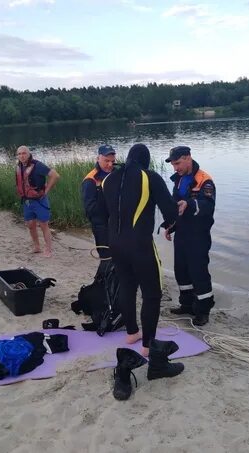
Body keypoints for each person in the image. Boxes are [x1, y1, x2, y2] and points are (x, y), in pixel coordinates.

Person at [101, 143, 180, 357]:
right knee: (152, 294)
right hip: (140, 245)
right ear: (145, 160)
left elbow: (103, 213)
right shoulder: (149, 177)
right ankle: (147, 345)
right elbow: (170, 212)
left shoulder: (108, 179)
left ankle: (131, 333)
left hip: (115, 244)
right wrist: (175, 216)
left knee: (127, 286)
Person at [164, 146, 216, 326]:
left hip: (198, 235)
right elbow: (175, 206)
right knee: (181, 270)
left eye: (177, 163)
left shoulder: (204, 180)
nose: (175, 168)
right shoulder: (178, 180)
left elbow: (207, 206)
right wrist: (170, 226)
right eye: (173, 164)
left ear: (188, 158)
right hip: (182, 234)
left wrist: (190, 204)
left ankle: (203, 311)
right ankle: (186, 304)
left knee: (198, 272)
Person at [15, 145, 60, 258]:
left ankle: (48, 249)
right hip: (27, 201)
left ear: (29, 154)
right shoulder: (19, 166)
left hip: (39, 200)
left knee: (44, 224)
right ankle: (36, 247)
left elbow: (55, 175)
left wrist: (47, 190)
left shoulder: (37, 165)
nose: (22, 156)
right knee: (30, 225)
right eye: (19, 154)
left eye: (24, 153)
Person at [81, 144, 116, 274]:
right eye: (106, 161)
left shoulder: (116, 174)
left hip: (118, 225)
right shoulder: (90, 180)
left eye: (112, 161)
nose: (110, 164)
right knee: (106, 259)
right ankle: (105, 283)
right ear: (98, 159)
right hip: (101, 226)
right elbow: (90, 208)